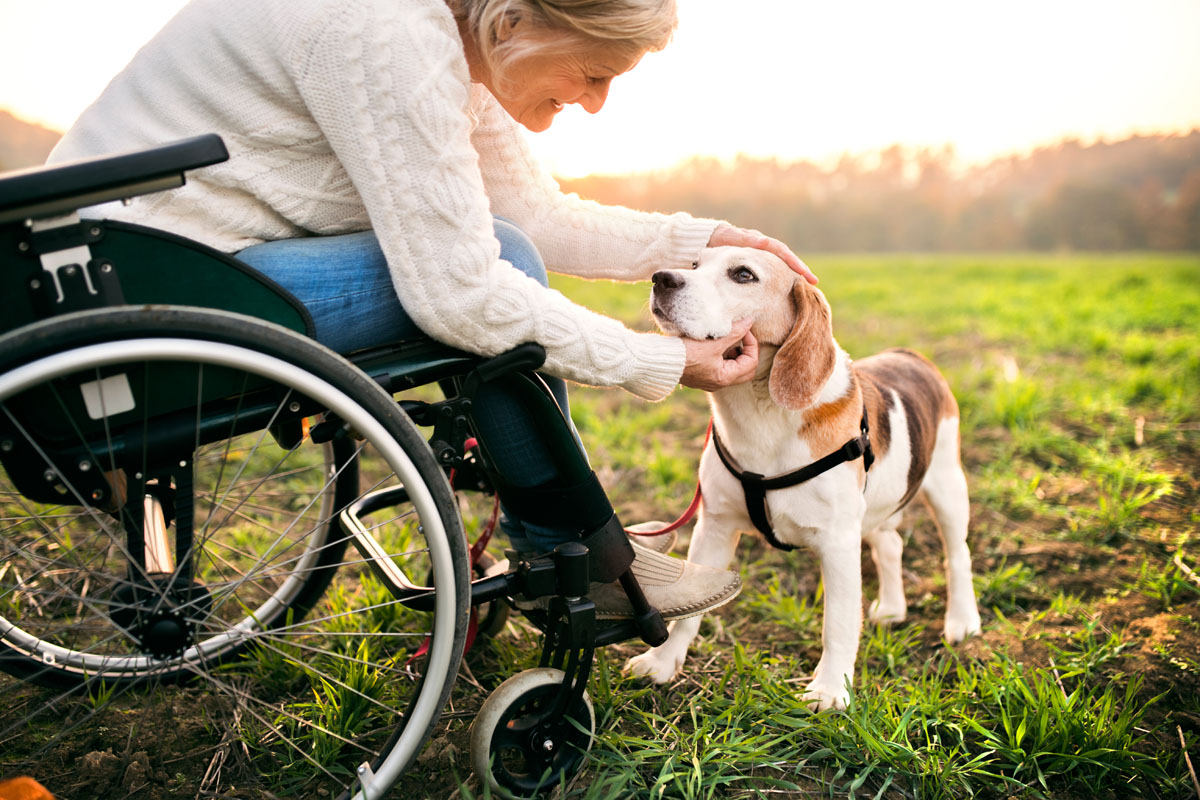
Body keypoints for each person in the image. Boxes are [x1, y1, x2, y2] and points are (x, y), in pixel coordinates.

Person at [48, 0, 818, 620]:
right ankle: (576, 555)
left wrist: (699, 238)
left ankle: (577, 544)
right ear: (516, 21)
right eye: (593, 73)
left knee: (503, 246)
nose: (594, 103)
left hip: (101, 268)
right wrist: (657, 360)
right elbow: (462, 291)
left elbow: (531, 211)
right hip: (141, 286)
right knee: (496, 267)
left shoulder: (452, 37)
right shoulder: (387, 32)